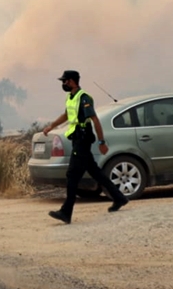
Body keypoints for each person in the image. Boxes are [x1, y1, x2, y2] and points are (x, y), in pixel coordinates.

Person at [42, 70, 129, 224]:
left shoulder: (84, 98)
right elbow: (67, 115)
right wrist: (51, 126)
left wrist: (102, 142)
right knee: (96, 172)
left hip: (83, 139)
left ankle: (66, 212)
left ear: (72, 81)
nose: (63, 84)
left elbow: (95, 119)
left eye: (65, 81)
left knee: (72, 175)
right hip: (76, 139)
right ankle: (119, 197)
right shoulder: (71, 98)